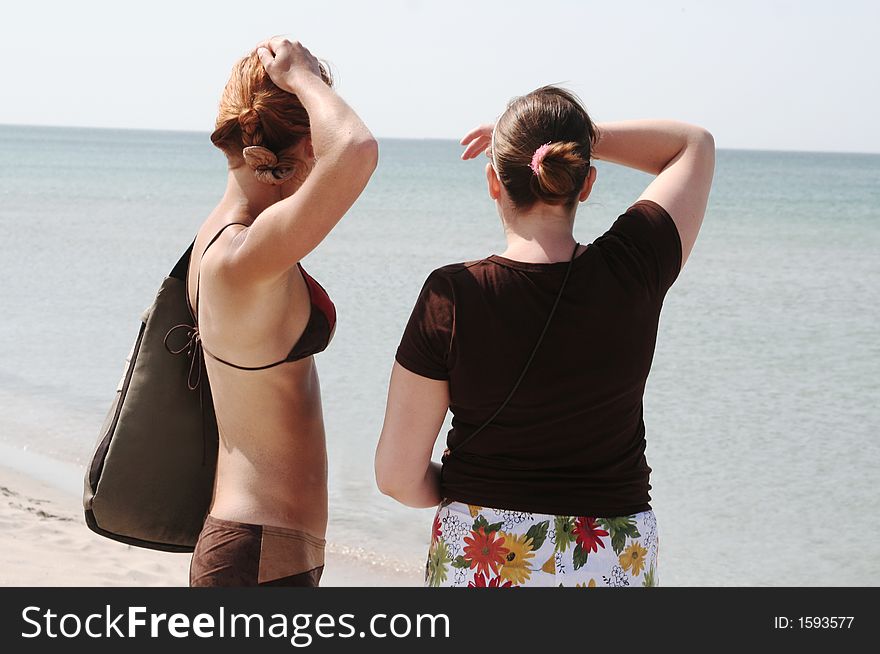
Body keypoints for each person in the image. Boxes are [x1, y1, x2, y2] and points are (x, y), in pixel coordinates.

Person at [375, 86, 713, 587]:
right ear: (587, 181)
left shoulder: (454, 294)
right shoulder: (632, 267)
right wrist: (577, 138)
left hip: (481, 552)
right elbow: (693, 145)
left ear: (494, 181)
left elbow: (397, 477)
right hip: (611, 554)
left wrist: (474, 487)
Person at [184, 37, 378, 586]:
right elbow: (358, 150)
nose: (320, 155)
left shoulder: (220, 242)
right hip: (255, 552)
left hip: (259, 549)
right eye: (314, 138)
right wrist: (305, 79)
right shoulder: (241, 255)